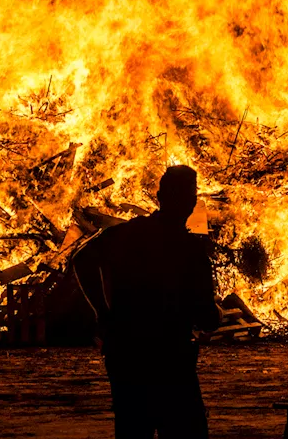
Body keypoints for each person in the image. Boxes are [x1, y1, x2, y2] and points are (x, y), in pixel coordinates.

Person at [73, 165, 221, 438]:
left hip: (127, 356)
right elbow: (206, 317)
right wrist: (216, 314)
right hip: (171, 363)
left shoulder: (128, 233)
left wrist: (102, 313)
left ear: (158, 196)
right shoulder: (189, 250)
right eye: (190, 194)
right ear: (187, 201)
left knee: (132, 430)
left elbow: (81, 258)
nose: (191, 201)